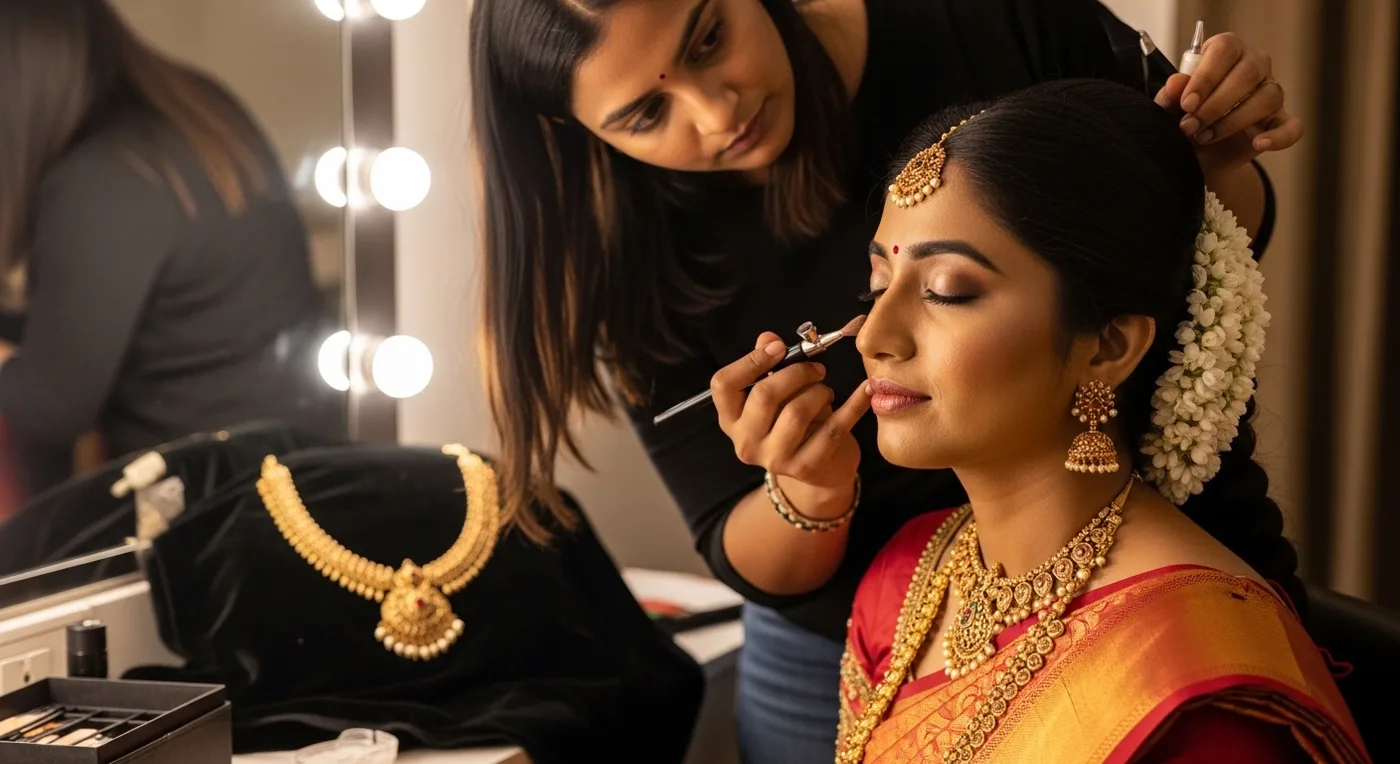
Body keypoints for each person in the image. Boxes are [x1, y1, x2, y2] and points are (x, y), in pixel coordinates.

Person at [469, 0, 1303, 758]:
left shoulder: (984, 21)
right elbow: (734, 533)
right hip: (874, 628)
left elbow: (1204, 247)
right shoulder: (631, 251)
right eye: (648, 114)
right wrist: (805, 490)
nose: (718, 110)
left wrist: (1209, 163)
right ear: (577, 130)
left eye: (711, 36)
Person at [836, 78, 1367, 763]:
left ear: (1110, 347)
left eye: (948, 291)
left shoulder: (1192, 689)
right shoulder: (908, 577)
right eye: (879, 285)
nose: (874, 335)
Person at [0, 0, 344, 497]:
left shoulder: (105, 179)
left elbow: (51, 406)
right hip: (301, 461)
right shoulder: (193, 108)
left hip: (216, 502)